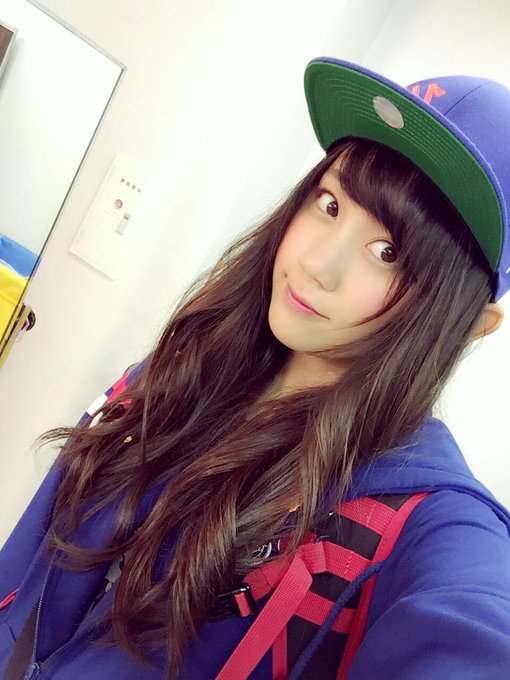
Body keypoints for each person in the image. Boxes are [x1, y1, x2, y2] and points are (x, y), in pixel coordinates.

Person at [1, 57, 510, 680]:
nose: (317, 264)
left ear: (472, 323)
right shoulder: (191, 361)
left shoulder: (421, 520)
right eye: (330, 204)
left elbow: (473, 623)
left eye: (388, 252)